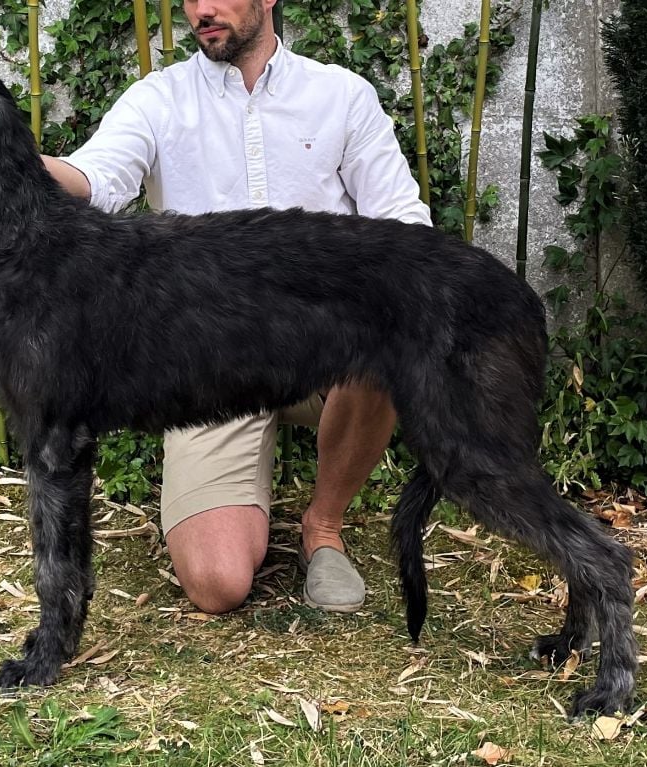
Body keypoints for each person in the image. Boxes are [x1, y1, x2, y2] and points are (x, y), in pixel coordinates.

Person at [41, 0, 431, 615]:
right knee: (217, 585)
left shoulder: (343, 97)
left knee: (382, 336)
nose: (201, 10)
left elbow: (404, 223)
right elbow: (95, 180)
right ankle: (238, 501)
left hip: (320, 348)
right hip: (210, 362)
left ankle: (322, 528)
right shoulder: (159, 99)